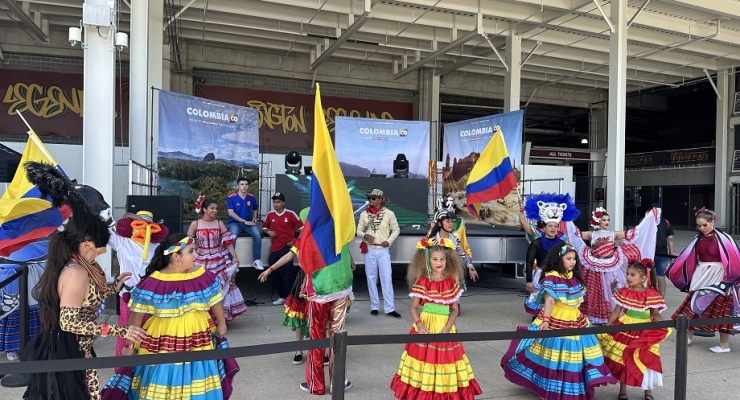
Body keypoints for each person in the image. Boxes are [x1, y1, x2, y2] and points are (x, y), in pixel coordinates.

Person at [21, 161, 147, 400]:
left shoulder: (86, 263)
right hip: (66, 350)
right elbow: (68, 322)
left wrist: (114, 287)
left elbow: (89, 295)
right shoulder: (76, 271)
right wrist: (121, 330)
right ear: (88, 243)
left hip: (80, 348)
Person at [114, 233, 239, 399]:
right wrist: (129, 345)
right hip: (163, 338)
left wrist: (221, 323)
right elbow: (136, 316)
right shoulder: (153, 281)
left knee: (197, 375)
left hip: (198, 336)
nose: (196, 255)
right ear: (175, 256)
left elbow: (215, 298)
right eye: (191, 251)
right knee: (163, 375)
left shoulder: (202, 275)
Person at [501, 242, 617, 400]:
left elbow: (577, 300)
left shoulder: (574, 276)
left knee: (574, 357)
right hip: (557, 320)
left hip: (576, 320)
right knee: (554, 357)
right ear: (558, 259)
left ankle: (571, 388)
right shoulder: (552, 277)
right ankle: (551, 389)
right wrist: (546, 320)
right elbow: (549, 301)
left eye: (574, 259)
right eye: (568, 258)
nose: (572, 262)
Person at [390, 238, 483, 400]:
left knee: (444, 361)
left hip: (445, 327)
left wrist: (448, 327)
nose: (439, 262)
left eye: (442, 259)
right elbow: (413, 308)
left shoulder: (451, 281)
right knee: (424, 359)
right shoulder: (422, 281)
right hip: (425, 325)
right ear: (426, 260)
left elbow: (454, 309)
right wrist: (419, 325)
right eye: (434, 259)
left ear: (448, 260)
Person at [565, 207, 658, 324]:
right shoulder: (591, 234)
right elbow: (574, 235)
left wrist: (647, 219)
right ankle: (594, 315)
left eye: (608, 220)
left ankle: (611, 315)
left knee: (611, 289)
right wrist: (566, 218)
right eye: (604, 220)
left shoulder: (613, 234)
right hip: (593, 266)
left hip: (610, 266)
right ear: (597, 221)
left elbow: (634, 233)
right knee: (593, 291)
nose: (607, 222)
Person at [667, 207, 740, 353]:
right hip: (701, 274)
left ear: (712, 222)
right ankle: (687, 337)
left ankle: (724, 344)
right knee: (693, 305)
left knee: (720, 309)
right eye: (699, 226)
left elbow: (734, 259)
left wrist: (727, 280)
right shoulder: (698, 238)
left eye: (704, 225)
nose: (701, 228)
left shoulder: (724, 239)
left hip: (719, 275)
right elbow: (688, 256)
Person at [598, 259, 671, 400]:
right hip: (626, 327)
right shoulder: (623, 292)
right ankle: (623, 389)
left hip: (646, 329)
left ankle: (648, 391)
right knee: (623, 357)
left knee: (647, 358)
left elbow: (654, 313)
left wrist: (660, 323)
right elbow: (615, 312)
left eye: (632, 275)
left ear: (643, 278)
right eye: (627, 274)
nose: (628, 277)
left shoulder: (652, 294)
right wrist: (608, 327)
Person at [107, 210, 169, 356]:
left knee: (149, 334)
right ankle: (123, 371)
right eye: (140, 225)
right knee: (126, 333)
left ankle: (144, 373)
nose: (143, 229)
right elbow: (101, 230)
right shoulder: (122, 242)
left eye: (148, 226)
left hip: (151, 298)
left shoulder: (158, 248)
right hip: (128, 295)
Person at [188, 198, 246, 322]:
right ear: (204, 209)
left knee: (219, 288)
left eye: (216, 208)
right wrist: (190, 258)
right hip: (201, 260)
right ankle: (203, 318)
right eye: (212, 208)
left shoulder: (219, 223)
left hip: (219, 259)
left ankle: (218, 318)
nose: (215, 211)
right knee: (202, 288)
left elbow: (228, 242)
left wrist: (234, 257)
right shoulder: (195, 224)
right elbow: (188, 243)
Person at [520, 193, 578, 316]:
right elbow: (529, 261)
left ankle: (552, 317)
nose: (553, 228)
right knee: (538, 297)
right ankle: (539, 318)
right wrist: (529, 281)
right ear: (544, 227)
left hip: (558, 275)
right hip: (541, 275)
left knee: (556, 299)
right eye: (550, 226)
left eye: (555, 226)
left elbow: (568, 260)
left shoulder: (562, 242)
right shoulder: (536, 243)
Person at [357, 188, 401, 318]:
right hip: (369, 249)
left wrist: (389, 241)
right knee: (371, 278)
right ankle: (374, 306)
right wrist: (364, 235)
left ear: (381, 200)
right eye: (370, 198)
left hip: (383, 250)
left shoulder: (389, 214)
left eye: (374, 198)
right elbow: (358, 230)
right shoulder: (364, 214)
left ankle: (390, 308)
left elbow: (396, 230)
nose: (371, 200)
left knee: (386, 278)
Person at [261, 192, 303, 306]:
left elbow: (302, 228)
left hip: (287, 247)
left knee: (287, 273)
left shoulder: (290, 214)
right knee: (274, 273)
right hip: (274, 247)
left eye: (278, 202)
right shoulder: (270, 215)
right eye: (274, 202)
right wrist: (268, 232)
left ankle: (288, 297)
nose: (275, 204)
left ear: (283, 203)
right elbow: (264, 227)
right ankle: (281, 296)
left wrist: (296, 240)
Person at [0, 263, 43, 362]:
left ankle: (36, 344)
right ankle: (12, 348)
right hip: (10, 273)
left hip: (32, 271)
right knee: (11, 309)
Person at [226, 177, 264, 270]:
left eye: (246, 184)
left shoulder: (251, 197)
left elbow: (255, 208)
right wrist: (243, 221)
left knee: (257, 235)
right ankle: (231, 262)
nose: (244, 186)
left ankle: (256, 260)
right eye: (242, 184)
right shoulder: (231, 197)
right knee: (232, 237)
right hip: (234, 223)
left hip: (248, 223)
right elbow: (230, 213)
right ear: (238, 186)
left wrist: (254, 218)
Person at [652, 203, 674, 298]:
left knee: (648, 276)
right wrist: (671, 254)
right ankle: (661, 298)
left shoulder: (645, 222)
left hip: (650, 253)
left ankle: (649, 297)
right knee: (661, 276)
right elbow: (670, 239)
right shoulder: (666, 222)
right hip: (663, 254)